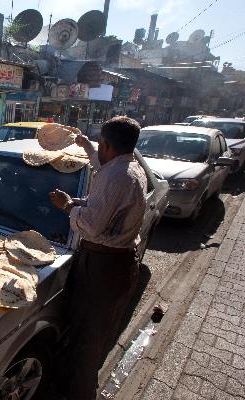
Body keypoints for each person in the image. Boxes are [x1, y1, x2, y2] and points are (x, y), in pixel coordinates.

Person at [48, 116, 147, 400]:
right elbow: (102, 168)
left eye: (99, 143)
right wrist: (85, 146)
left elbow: (90, 226)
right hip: (114, 264)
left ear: (107, 143)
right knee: (86, 330)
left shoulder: (118, 177)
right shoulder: (128, 167)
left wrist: (68, 206)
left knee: (88, 339)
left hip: (104, 268)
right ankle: (72, 381)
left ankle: (80, 393)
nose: (98, 149)